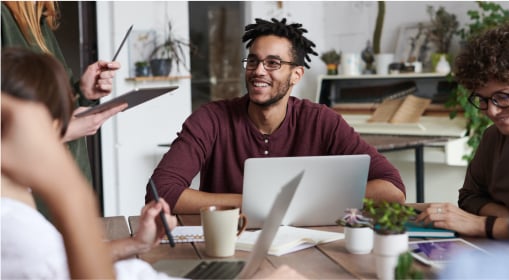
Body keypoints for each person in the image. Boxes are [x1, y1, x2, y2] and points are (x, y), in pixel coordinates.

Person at [1, 47, 306, 280]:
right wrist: (69, 193)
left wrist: (134, 243)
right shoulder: (14, 227)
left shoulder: (17, 214)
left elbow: (63, 260)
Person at [147, 18, 406, 214]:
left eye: (273, 63)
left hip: (306, 247)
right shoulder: (211, 119)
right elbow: (161, 192)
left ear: (296, 75)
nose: (259, 71)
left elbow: (392, 189)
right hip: (230, 245)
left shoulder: (321, 121)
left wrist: (304, 200)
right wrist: (260, 203)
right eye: (253, 61)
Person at [415, 22, 509, 240]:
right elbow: (469, 197)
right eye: (484, 100)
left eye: (502, 97)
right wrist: (507, 220)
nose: (492, 111)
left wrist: (483, 224)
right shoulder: (492, 137)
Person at [1, 1, 126, 186]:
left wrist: (83, 92)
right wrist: (61, 132)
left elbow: (51, 103)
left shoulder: (39, 21)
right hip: (30, 193)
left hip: (67, 180)